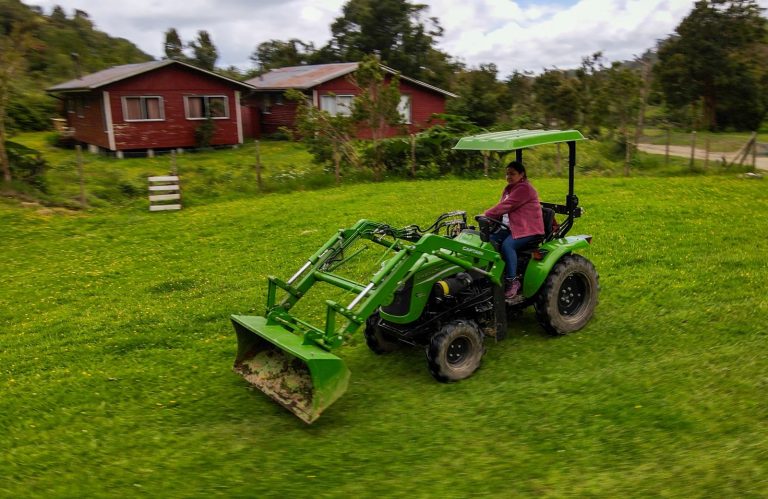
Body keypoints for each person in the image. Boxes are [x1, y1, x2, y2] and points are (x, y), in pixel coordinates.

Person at [484, 161, 545, 300]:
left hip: (527, 228)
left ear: (521, 174)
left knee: (508, 245)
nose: (509, 176)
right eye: (507, 173)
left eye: (512, 173)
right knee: (488, 242)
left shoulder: (524, 189)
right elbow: (501, 207)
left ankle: (512, 281)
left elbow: (506, 205)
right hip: (509, 227)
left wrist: (486, 214)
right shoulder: (508, 188)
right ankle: (492, 275)